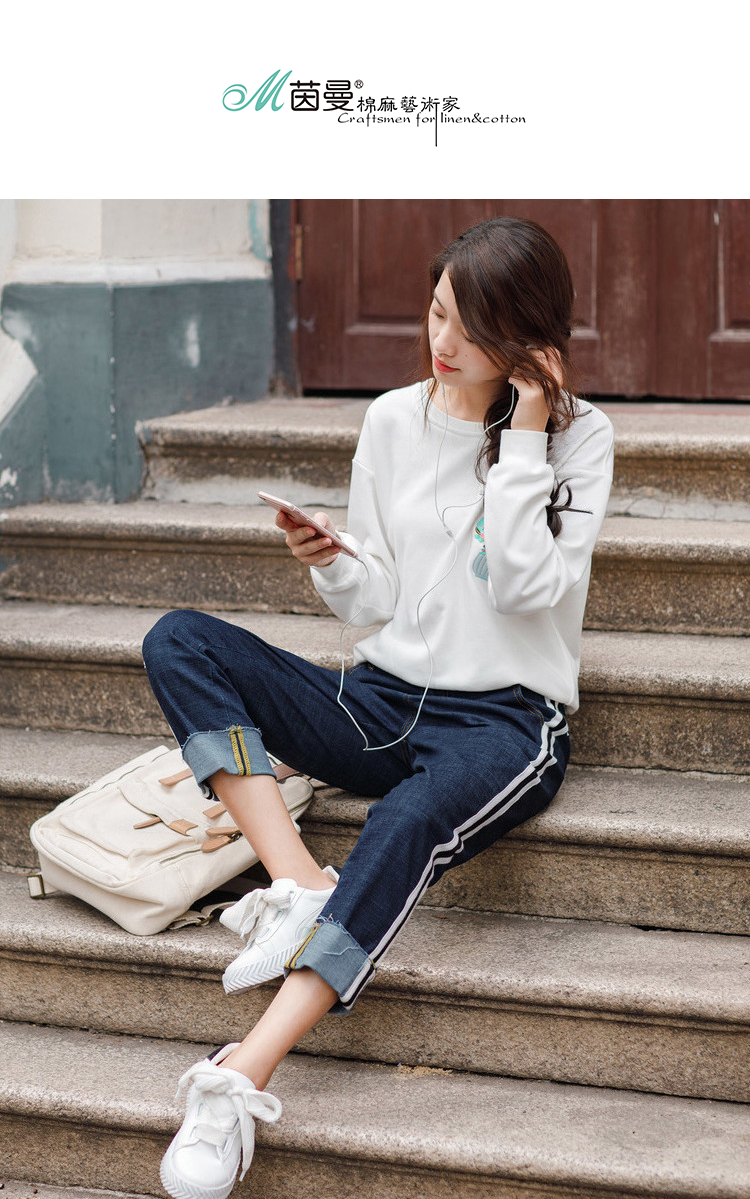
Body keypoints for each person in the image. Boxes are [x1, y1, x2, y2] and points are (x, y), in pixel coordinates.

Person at [142, 216, 615, 1199]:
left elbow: (525, 587)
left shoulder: (581, 438)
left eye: (473, 329)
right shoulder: (394, 419)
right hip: (383, 697)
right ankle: (297, 882)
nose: (442, 342)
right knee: (180, 639)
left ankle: (240, 1072)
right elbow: (381, 598)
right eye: (437, 313)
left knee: (404, 818)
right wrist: (332, 562)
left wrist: (527, 432)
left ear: (527, 338)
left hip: (505, 721)